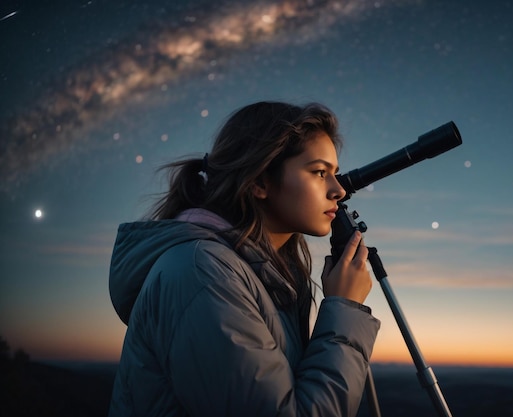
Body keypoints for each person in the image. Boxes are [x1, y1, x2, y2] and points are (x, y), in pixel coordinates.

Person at [108, 101, 380, 416]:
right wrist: (344, 309)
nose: (338, 191)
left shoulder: (263, 274)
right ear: (259, 181)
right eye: (319, 172)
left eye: (334, 173)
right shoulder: (201, 274)